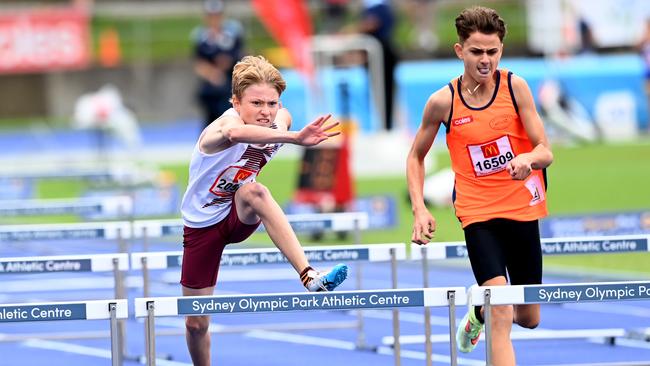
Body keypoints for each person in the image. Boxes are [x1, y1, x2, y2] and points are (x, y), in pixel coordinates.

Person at [406, 6, 553, 366]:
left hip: (521, 208)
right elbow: (415, 157)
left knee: (529, 318)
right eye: (476, 52)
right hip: (478, 214)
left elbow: (545, 150)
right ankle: (491, 307)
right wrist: (420, 208)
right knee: (503, 309)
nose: (485, 60)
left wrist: (527, 160)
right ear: (460, 51)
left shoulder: (515, 87)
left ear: (501, 50)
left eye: (492, 51)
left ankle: (479, 311)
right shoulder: (443, 101)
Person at [180, 55, 349, 366]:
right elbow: (236, 135)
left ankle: (308, 274)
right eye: (256, 103)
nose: (266, 112)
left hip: (239, 213)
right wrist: (295, 139)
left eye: (272, 104)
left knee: (254, 190)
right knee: (195, 324)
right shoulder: (221, 129)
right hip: (202, 225)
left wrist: (286, 126)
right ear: (235, 102)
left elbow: (281, 118)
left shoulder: (281, 118)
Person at [192, 0, 244, 130]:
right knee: (210, 121)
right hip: (211, 87)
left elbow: (238, 55)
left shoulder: (233, 33)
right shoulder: (201, 36)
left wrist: (225, 65)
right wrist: (212, 74)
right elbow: (199, 62)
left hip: (229, 84)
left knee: (230, 118)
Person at [351, 0, 398, 130]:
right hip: (373, 57)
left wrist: (351, 32)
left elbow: (372, 24)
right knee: (376, 93)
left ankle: (387, 127)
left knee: (386, 92)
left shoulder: (380, 7)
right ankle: (383, 125)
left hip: (383, 55)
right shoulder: (369, 7)